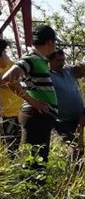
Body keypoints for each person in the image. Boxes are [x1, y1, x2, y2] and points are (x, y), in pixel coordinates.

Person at [1, 25, 59, 166]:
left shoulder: (40, 60)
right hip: (35, 116)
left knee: (40, 159)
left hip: (41, 117)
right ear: (50, 42)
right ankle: (31, 187)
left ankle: (36, 186)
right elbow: (8, 78)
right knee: (33, 162)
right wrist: (32, 101)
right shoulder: (31, 58)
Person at [47, 50, 85, 146]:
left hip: (79, 118)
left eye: (63, 60)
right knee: (71, 146)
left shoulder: (68, 71)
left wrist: (82, 66)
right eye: (58, 60)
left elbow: (84, 71)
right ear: (49, 61)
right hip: (63, 120)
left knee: (80, 146)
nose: (61, 63)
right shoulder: (48, 76)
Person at [0, 37, 21, 154]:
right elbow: (5, 81)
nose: (6, 55)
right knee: (12, 150)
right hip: (8, 116)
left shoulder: (11, 64)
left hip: (22, 113)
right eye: (3, 53)